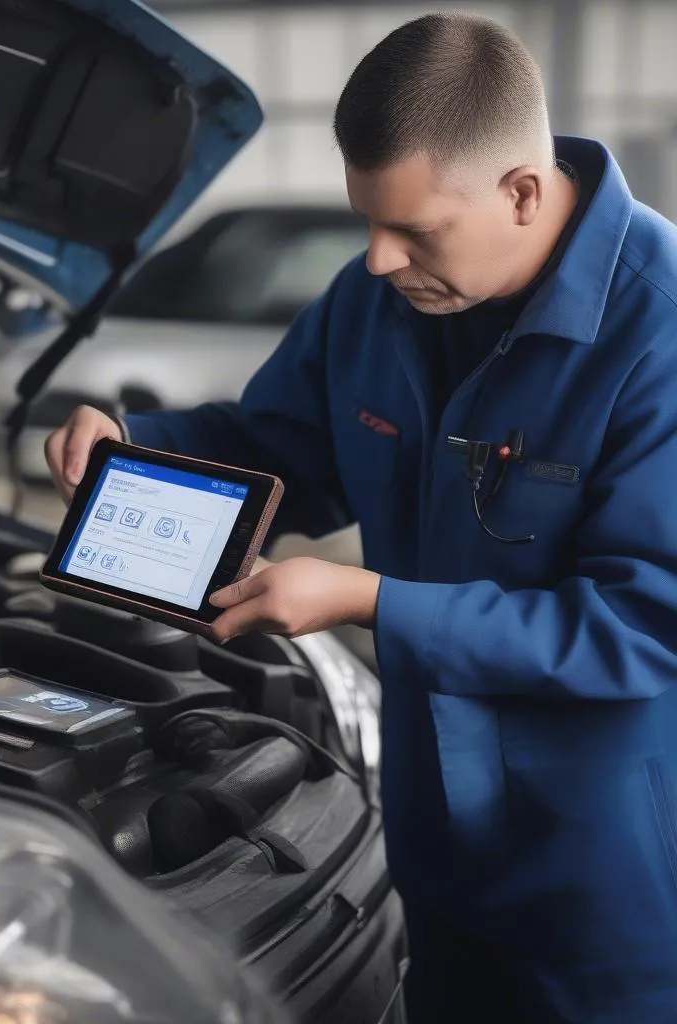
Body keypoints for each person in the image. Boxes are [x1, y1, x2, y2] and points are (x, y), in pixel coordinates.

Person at [45, 12, 677, 1023]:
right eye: (366, 224)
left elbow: (641, 626)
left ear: (520, 192)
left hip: (606, 871)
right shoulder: (375, 301)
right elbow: (277, 446)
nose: (379, 260)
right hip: (432, 835)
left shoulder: (660, 333)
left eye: (414, 230)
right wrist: (131, 440)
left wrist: (365, 600)